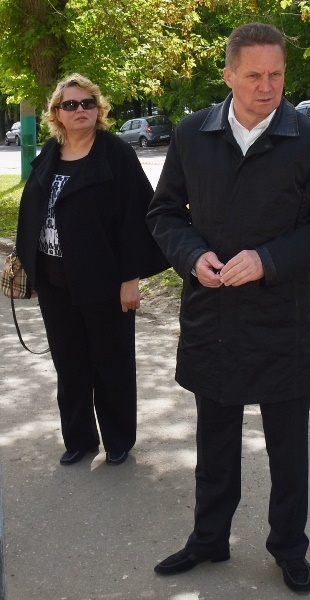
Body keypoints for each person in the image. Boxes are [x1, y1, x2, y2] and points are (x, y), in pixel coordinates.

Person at [147, 23, 310, 593]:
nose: (267, 87)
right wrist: (192, 256)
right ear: (229, 75)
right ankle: (208, 539)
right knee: (214, 444)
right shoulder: (192, 133)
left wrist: (268, 259)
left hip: (280, 316)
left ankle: (288, 547)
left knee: (287, 449)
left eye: (277, 75)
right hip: (211, 315)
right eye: (255, 75)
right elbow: (164, 213)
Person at [15, 73, 168, 467]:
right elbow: (33, 210)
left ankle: (118, 439)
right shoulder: (50, 153)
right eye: (71, 104)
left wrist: (131, 279)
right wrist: (29, 264)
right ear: (56, 113)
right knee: (69, 364)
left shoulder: (115, 154)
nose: (80, 110)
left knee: (111, 363)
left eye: (88, 103)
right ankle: (80, 439)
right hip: (54, 281)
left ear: (99, 110)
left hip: (104, 282)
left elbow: (137, 218)